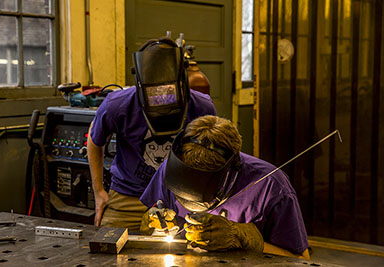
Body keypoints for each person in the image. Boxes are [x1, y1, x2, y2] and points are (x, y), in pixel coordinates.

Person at [87, 37, 216, 231]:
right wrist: (99, 193)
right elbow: (94, 141)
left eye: (169, 91)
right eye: (154, 93)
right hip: (128, 197)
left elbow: (213, 155)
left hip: (182, 198)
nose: (162, 98)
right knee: (106, 247)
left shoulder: (202, 106)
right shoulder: (117, 105)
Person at [140, 115, 310, 259]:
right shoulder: (171, 170)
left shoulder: (271, 186)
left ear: (229, 170)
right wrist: (153, 220)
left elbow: (301, 260)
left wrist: (243, 238)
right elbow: (151, 218)